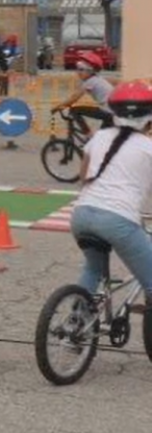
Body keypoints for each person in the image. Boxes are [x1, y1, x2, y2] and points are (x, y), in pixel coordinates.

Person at [66, 79, 152, 300]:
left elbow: (84, 177)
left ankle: (78, 321)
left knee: (93, 269)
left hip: (82, 215)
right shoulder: (148, 148)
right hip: (118, 220)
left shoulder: (99, 137)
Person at [55, 59, 115, 133]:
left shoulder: (90, 82)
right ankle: (91, 138)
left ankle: (88, 134)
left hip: (109, 111)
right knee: (100, 139)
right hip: (113, 111)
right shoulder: (97, 79)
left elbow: (74, 98)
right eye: (78, 69)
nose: (78, 72)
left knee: (75, 110)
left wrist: (57, 108)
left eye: (81, 70)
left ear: (90, 71)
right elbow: (75, 95)